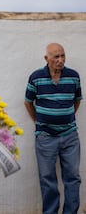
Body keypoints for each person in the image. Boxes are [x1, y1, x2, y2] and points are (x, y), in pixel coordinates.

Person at [24, 43, 82, 214]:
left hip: (70, 135)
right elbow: (28, 102)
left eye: (63, 55)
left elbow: (77, 100)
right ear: (46, 59)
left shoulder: (73, 76)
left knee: (73, 178)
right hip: (45, 137)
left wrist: (66, 117)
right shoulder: (36, 77)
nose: (60, 60)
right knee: (47, 179)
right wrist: (39, 121)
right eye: (56, 56)